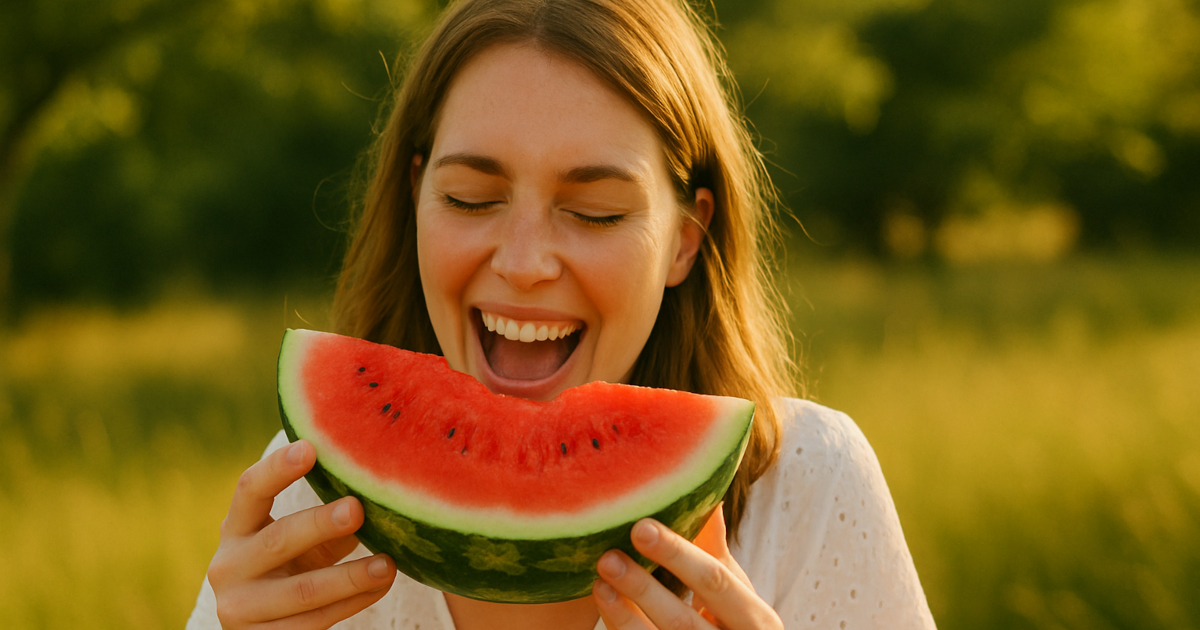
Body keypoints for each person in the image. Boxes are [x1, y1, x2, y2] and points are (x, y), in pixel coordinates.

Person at [187, 0, 937, 628]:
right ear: (416, 200)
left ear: (685, 239)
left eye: (594, 212)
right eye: (470, 199)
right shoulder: (304, 506)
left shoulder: (808, 486)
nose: (523, 262)